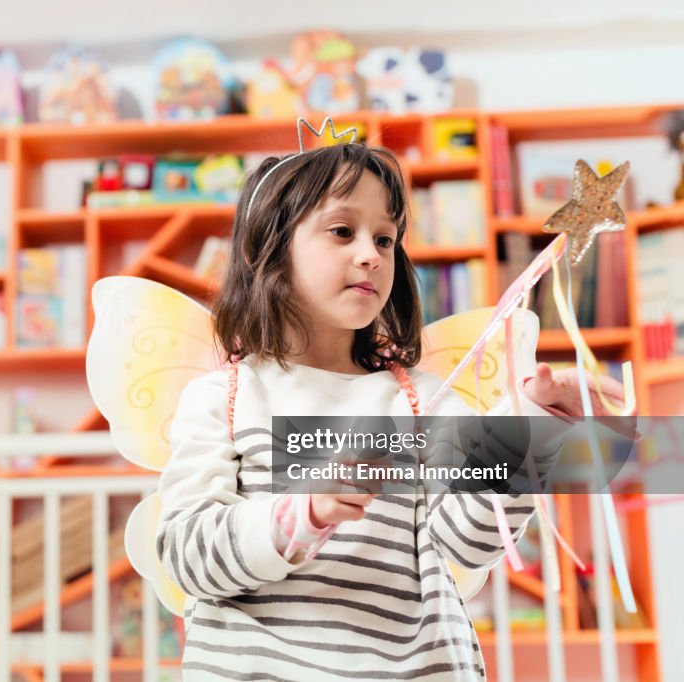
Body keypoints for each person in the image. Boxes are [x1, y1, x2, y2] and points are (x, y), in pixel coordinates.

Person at [156, 140, 629, 680]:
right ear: (266, 248)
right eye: (342, 231)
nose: (371, 254)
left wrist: (532, 429)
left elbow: (470, 542)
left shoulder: (420, 401)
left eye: (385, 238)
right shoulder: (224, 398)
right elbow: (186, 556)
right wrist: (297, 515)